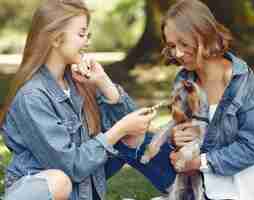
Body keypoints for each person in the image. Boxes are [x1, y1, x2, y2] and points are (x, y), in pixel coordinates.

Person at [0, 0, 176, 199]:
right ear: (56, 39)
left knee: (132, 136)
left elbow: (133, 128)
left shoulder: (78, 83)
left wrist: (104, 82)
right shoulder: (32, 97)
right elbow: (70, 166)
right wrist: (119, 130)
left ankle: (184, 191)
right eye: (81, 34)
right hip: (41, 190)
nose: (87, 41)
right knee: (59, 181)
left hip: (80, 190)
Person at [160, 0, 254, 199]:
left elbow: (253, 148)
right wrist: (175, 138)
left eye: (184, 44)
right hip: (202, 190)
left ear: (204, 35)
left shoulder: (249, 86)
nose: (178, 53)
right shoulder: (184, 81)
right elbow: (185, 139)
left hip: (244, 191)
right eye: (172, 46)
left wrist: (198, 162)